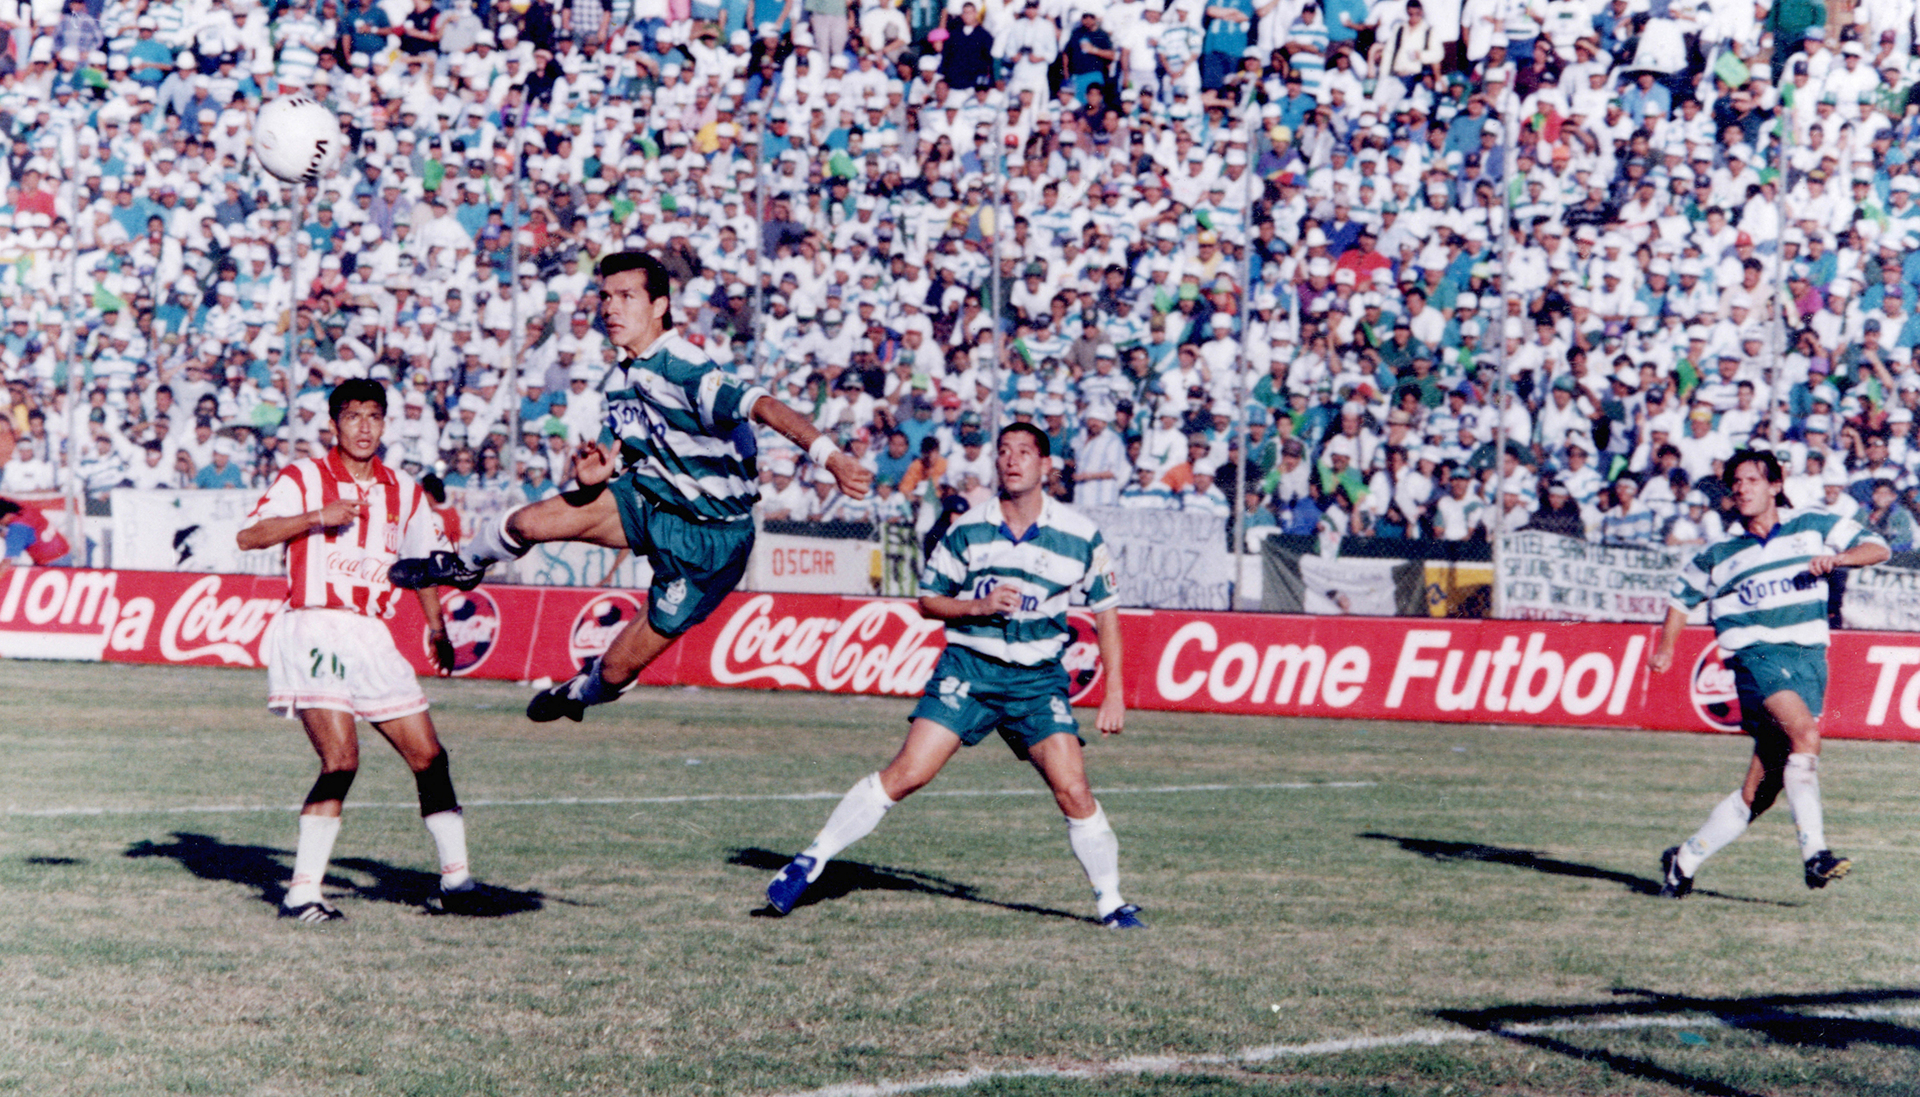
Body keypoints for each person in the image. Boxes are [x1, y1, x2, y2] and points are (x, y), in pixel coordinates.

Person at [390, 252, 873, 721]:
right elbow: (608, 451)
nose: (610, 307)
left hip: (711, 538)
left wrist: (831, 458)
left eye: (626, 296)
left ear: (660, 306)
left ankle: (579, 692)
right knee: (524, 522)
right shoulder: (624, 376)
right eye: (605, 296)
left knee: (618, 669)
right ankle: (465, 564)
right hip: (650, 497)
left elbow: (762, 404)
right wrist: (595, 468)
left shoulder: (683, 367)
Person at [764, 423, 1143, 929]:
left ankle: (1112, 904)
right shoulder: (969, 527)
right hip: (969, 669)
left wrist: (1113, 693)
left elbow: (1107, 614)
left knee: (1073, 789)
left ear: (1045, 466)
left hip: (1035, 682)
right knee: (908, 774)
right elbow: (928, 600)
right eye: (1004, 452)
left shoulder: (1080, 535)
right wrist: (978, 605)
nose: (1012, 461)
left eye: (1025, 453)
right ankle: (809, 862)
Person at [235, 379, 477, 923]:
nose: (363, 427)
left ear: (385, 424)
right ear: (333, 425)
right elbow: (250, 536)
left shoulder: (405, 490)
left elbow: (423, 565)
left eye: (373, 416)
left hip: (372, 633)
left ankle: (457, 883)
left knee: (431, 759)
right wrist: (315, 517)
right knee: (341, 760)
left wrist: (437, 627)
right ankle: (301, 893)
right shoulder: (304, 476)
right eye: (352, 416)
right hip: (315, 627)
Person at [1649, 450, 1890, 899]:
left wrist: (1837, 560)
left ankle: (1684, 859)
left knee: (1762, 790)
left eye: (1751, 480)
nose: (1741, 488)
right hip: (1754, 658)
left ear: (1775, 485)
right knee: (1805, 737)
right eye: (1735, 483)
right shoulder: (1720, 554)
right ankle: (1815, 854)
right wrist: (1665, 648)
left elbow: (1879, 547)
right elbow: (1681, 598)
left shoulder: (1814, 525)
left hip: (1808, 659)